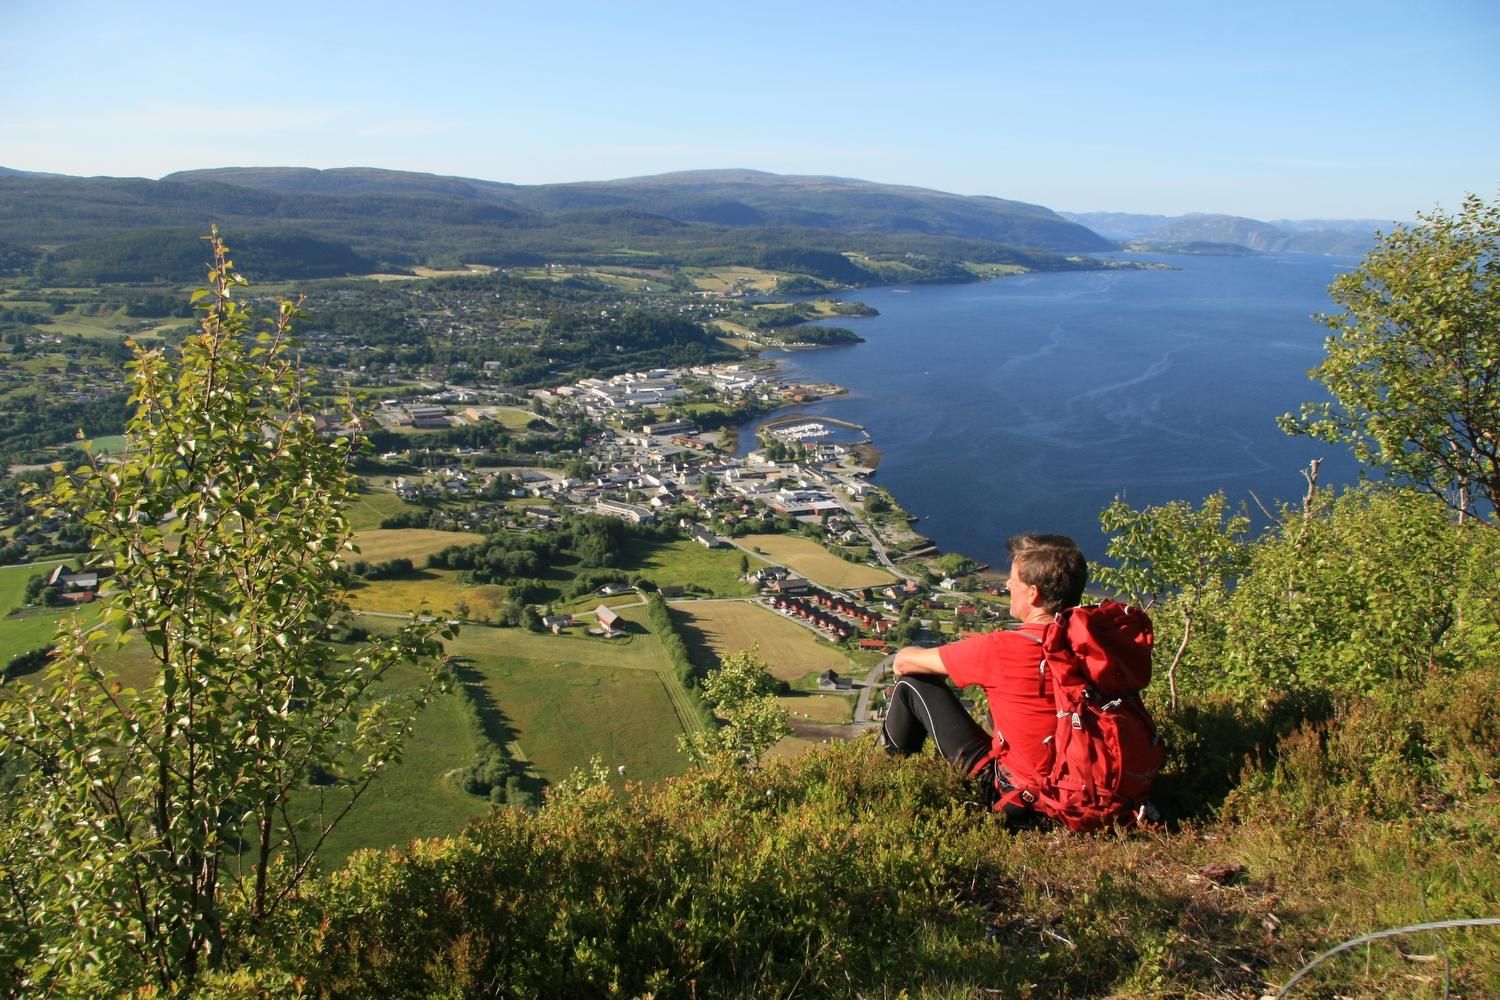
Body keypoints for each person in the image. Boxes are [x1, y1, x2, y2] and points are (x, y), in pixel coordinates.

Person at [878, 533, 1088, 818]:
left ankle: (882, 787)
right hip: (1091, 789)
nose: (1007, 583)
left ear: (1033, 593)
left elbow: (903, 663)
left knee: (912, 684)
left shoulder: (1003, 648)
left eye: (1014, 578)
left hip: (1022, 801)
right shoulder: (1099, 645)